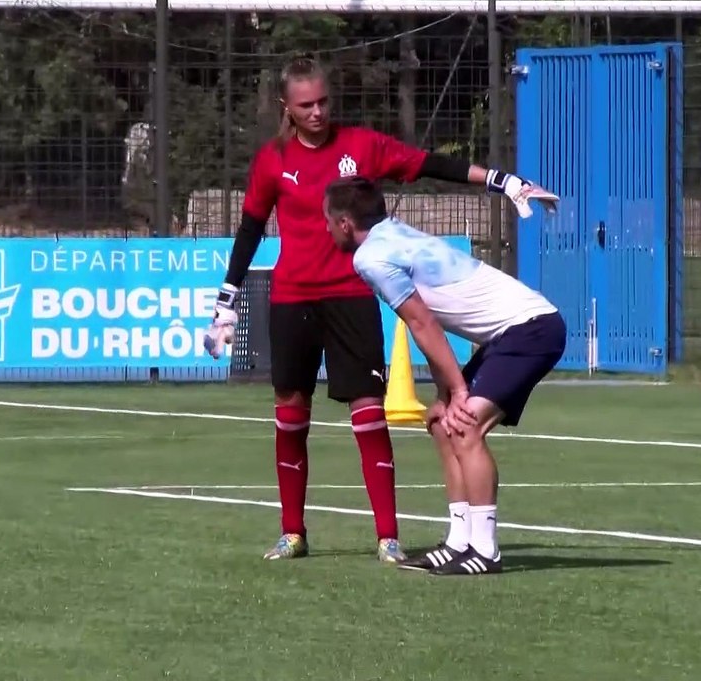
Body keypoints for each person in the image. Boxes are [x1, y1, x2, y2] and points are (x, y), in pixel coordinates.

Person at [203, 53, 557, 565]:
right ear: (287, 107)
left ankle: (389, 537)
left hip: (350, 297)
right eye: (307, 105)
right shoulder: (271, 161)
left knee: (369, 415)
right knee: (290, 417)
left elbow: (430, 163)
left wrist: (499, 180)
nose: (319, 112)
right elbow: (250, 228)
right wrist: (227, 298)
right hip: (292, 299)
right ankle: (292, 532)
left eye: (325, 100)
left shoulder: (361, 146)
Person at [323, 175, 566, 576]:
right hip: (515, 331)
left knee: (466, 426)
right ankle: (459, 543)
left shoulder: (369, 258)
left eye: (329, 220)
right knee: (443, 425)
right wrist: (443, 395)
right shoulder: (391, 233)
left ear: (346, 223)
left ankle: (485, 551)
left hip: (532, 329)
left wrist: (456, 389)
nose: (327, 229)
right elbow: (428, 324)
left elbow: (422, 324)